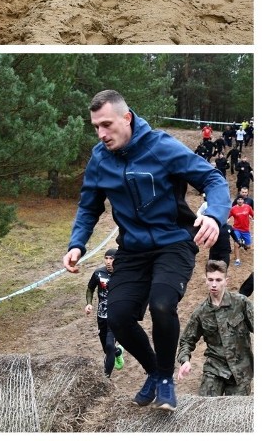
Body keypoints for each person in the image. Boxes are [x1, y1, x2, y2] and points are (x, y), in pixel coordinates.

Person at [63, 90, 231, 412]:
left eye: (107, 125)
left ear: (126, 118)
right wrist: (76, 244)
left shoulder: (160, 146)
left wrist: (213, 214)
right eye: (96, 126)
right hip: (133, 250)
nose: (101, 133)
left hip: (174, 243)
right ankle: (154, 370)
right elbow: (88, 207)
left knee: (162, 303)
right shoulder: (100, 158)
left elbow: (212, 178)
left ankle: (166, 379)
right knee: (118, 317)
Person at [177, 260, 253, 395]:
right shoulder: (201, 312)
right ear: (206, 280)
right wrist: (185, 361)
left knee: (236, 413)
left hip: (241, 370)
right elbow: (187, 341)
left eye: (218, 280)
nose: (214, 284)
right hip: (214, 368)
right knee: (205, 409)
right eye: (210, 279)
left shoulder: (241, 303)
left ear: (226, 281)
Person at [85, 249, 124, 378]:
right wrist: (89, 303)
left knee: (109, 345)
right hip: (101, 315)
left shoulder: (123, 273)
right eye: (106, 258)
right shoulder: (98, 273)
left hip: (116, 316)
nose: (108, 261)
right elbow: (90, 288)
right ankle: (117, 352)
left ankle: (105, 378)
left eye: (111, 258)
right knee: (107, 349)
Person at [227, 196, 253, 266]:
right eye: (239, 199)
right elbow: (227, 217)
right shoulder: (233, 209)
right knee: (236, 244)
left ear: (243, 200)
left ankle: (243, 243)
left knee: (248, 247)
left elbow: (253, 215)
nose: (240, 200)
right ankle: (237, 260)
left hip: (246, 230)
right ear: (237, 200)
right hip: (236, 229)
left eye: (241, 199)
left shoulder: (248, 207)